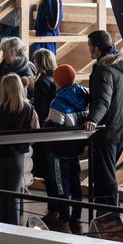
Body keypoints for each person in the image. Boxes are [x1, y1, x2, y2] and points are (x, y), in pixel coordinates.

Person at [83, 30, 123, 207]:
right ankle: (106, 212)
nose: (88, 50)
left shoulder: (105, 69)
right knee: (106, 171)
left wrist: (93, 119)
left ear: (96, 49)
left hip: (109, 129)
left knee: (105, 175)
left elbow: (104, 99)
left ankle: (110, 215)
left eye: (89, 46)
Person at [43, 64, 89, 234]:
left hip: (60, 150)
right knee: (75, 181)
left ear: (58, 80)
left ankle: (64, 217)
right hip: (76, 147)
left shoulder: (58, 102)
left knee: (61, 183)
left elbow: (54, 128)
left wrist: (45, 123)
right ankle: (77, 214)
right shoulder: (84, 94)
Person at [0, 73, 38, 226]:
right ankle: (13, 228)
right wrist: (24, 145)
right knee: (14, 194)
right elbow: (35, 132)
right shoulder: (29, 109)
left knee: (1, 195)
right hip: (17, 156)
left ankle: (1, 225)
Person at [30, 48, 57, 184]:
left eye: (35, 61)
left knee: (44, 166)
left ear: (40, 63)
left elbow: (41, 108)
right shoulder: (55, 78)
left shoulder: (41, 81)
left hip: (44, 125)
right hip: (54, 122)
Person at [0, 36, 35, 103]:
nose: (3, 56)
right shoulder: (3, 65)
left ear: (13, 52)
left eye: (5, 52)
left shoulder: (27, 72)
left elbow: (26, 99)